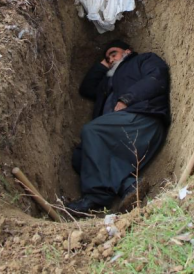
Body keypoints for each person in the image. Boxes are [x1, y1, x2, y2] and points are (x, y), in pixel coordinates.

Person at [67, 40, 170, 215]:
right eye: (107, 58)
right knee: (80, 157)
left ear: (128, 51)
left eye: (114, 53)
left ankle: (96, 198)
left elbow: (157, 76)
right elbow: (86, 89)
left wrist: (127, 99)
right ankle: (129, 186)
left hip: (142, 120)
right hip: (115, 133)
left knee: (92, 130)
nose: (111, 58)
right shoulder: (107, 84)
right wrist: (103, 65)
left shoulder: (142, 60)